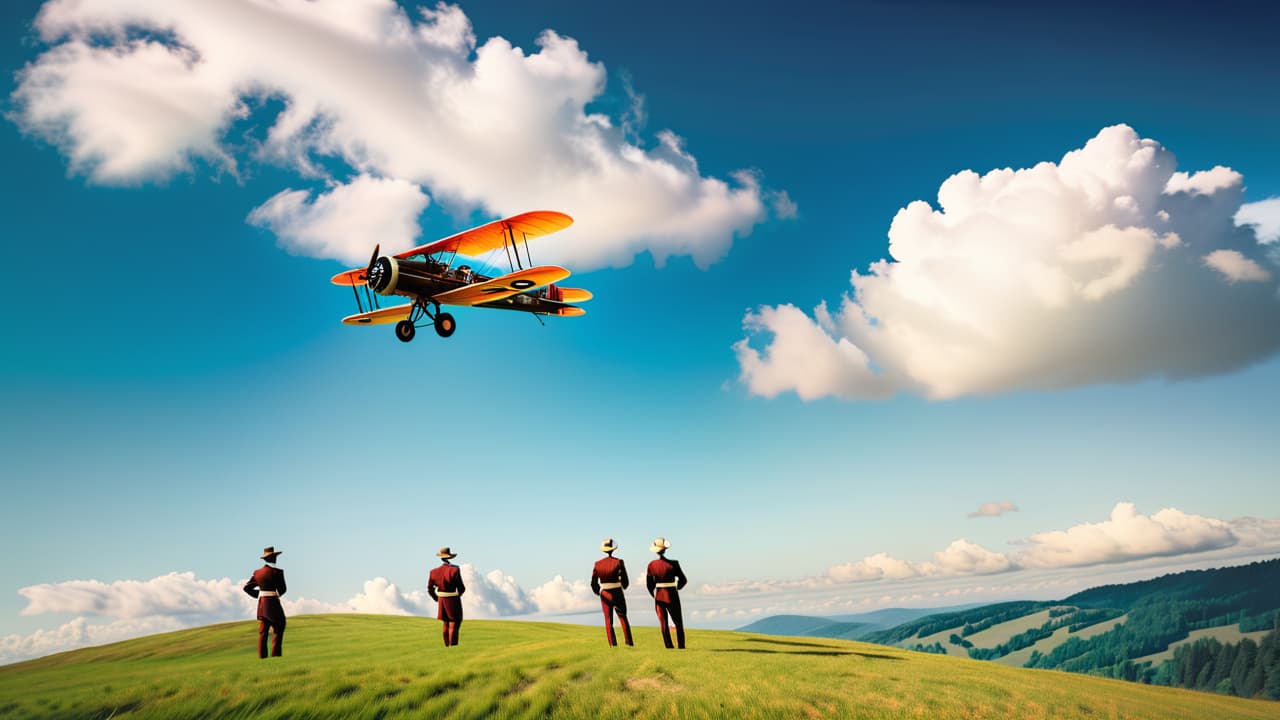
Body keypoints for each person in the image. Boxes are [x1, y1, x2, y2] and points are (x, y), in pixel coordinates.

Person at [243, 546, 287, 658]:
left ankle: (262, 656)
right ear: (273, 558)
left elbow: (246, 588)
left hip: (262, 605)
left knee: (263, 631)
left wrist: (260, 594)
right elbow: (283, 590)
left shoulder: (257, 573)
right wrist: (274, 594)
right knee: (279, 626)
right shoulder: (278, 572)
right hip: (273, 604)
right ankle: (275, 655)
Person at [645, 537, 688, 649]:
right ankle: (681, 645)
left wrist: (653, 593)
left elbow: (649, 584)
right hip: (672, 594)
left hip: (659, 595)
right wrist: (676, 587)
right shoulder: (674, 563)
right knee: (678, 622)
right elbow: (683, 580)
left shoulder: (651, 565)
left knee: (663, 623)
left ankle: (668, 646)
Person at [590, 537, 633, 647]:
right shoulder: (619, 562)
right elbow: (625, 579)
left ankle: (612, 644)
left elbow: (593, 582)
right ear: (613, 549)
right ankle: (629, 643)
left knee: (608, 620)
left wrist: (598, 592)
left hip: (605, 593)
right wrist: (624, 586)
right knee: (623, 617)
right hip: (617, 591)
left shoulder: (597, 564)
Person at [427, 547, 466, 647]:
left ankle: (446, 646)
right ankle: (453, 646)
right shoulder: (454, 570)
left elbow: (430, 588)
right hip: (453, 599)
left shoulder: (433, 572)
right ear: (450, 557)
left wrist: (436, 598)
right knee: (454, 622)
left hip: (441, 599)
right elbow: (461, 587)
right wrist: (459, 594)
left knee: (445, 622)